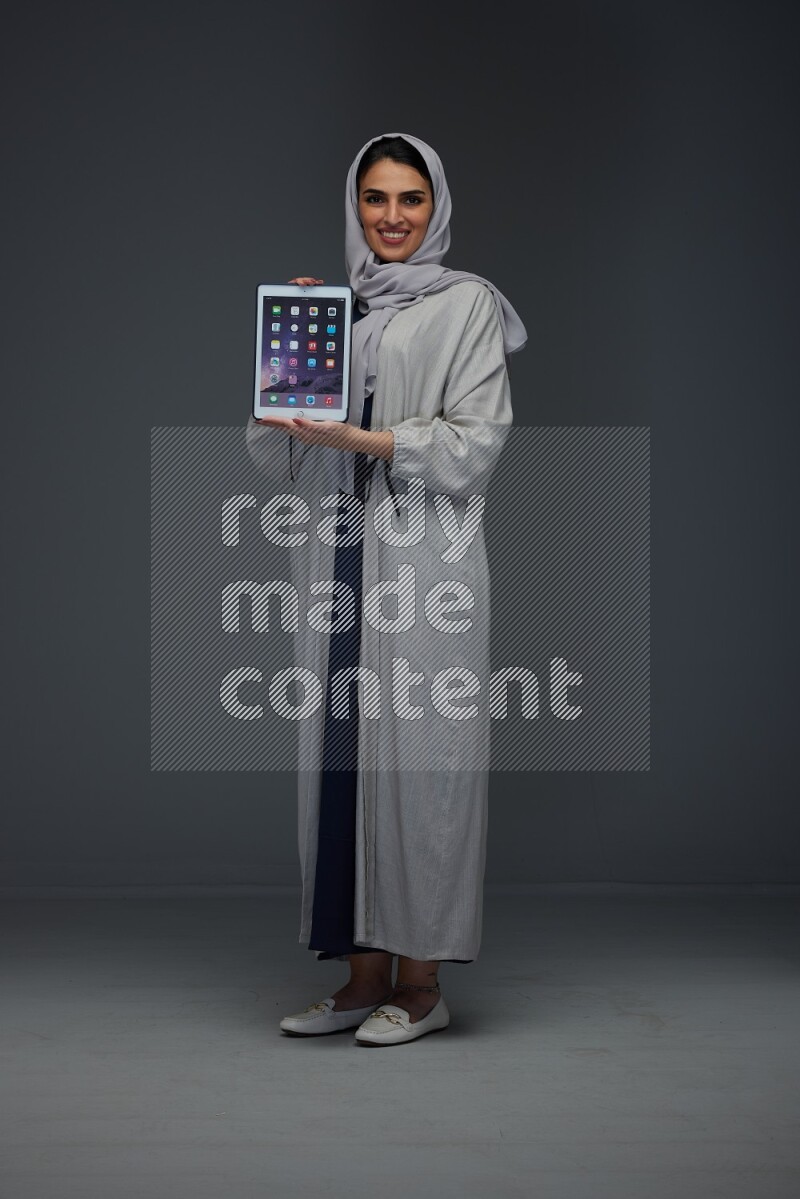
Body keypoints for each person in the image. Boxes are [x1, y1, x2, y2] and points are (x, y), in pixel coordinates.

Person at [245, 132, 526, 1045]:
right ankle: (363, 978)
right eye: (376, 199)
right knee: (341, 759)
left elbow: (476, 442)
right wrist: (285, 380)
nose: (393, 217)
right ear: (354, 206)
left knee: (423, 765)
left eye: (411, 199)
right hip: (337, 560)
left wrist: (367, 443)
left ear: (436, 206)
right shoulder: (342, 309)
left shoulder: (468, 305)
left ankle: (423, 983)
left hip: (426, 564)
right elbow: (280, 453)